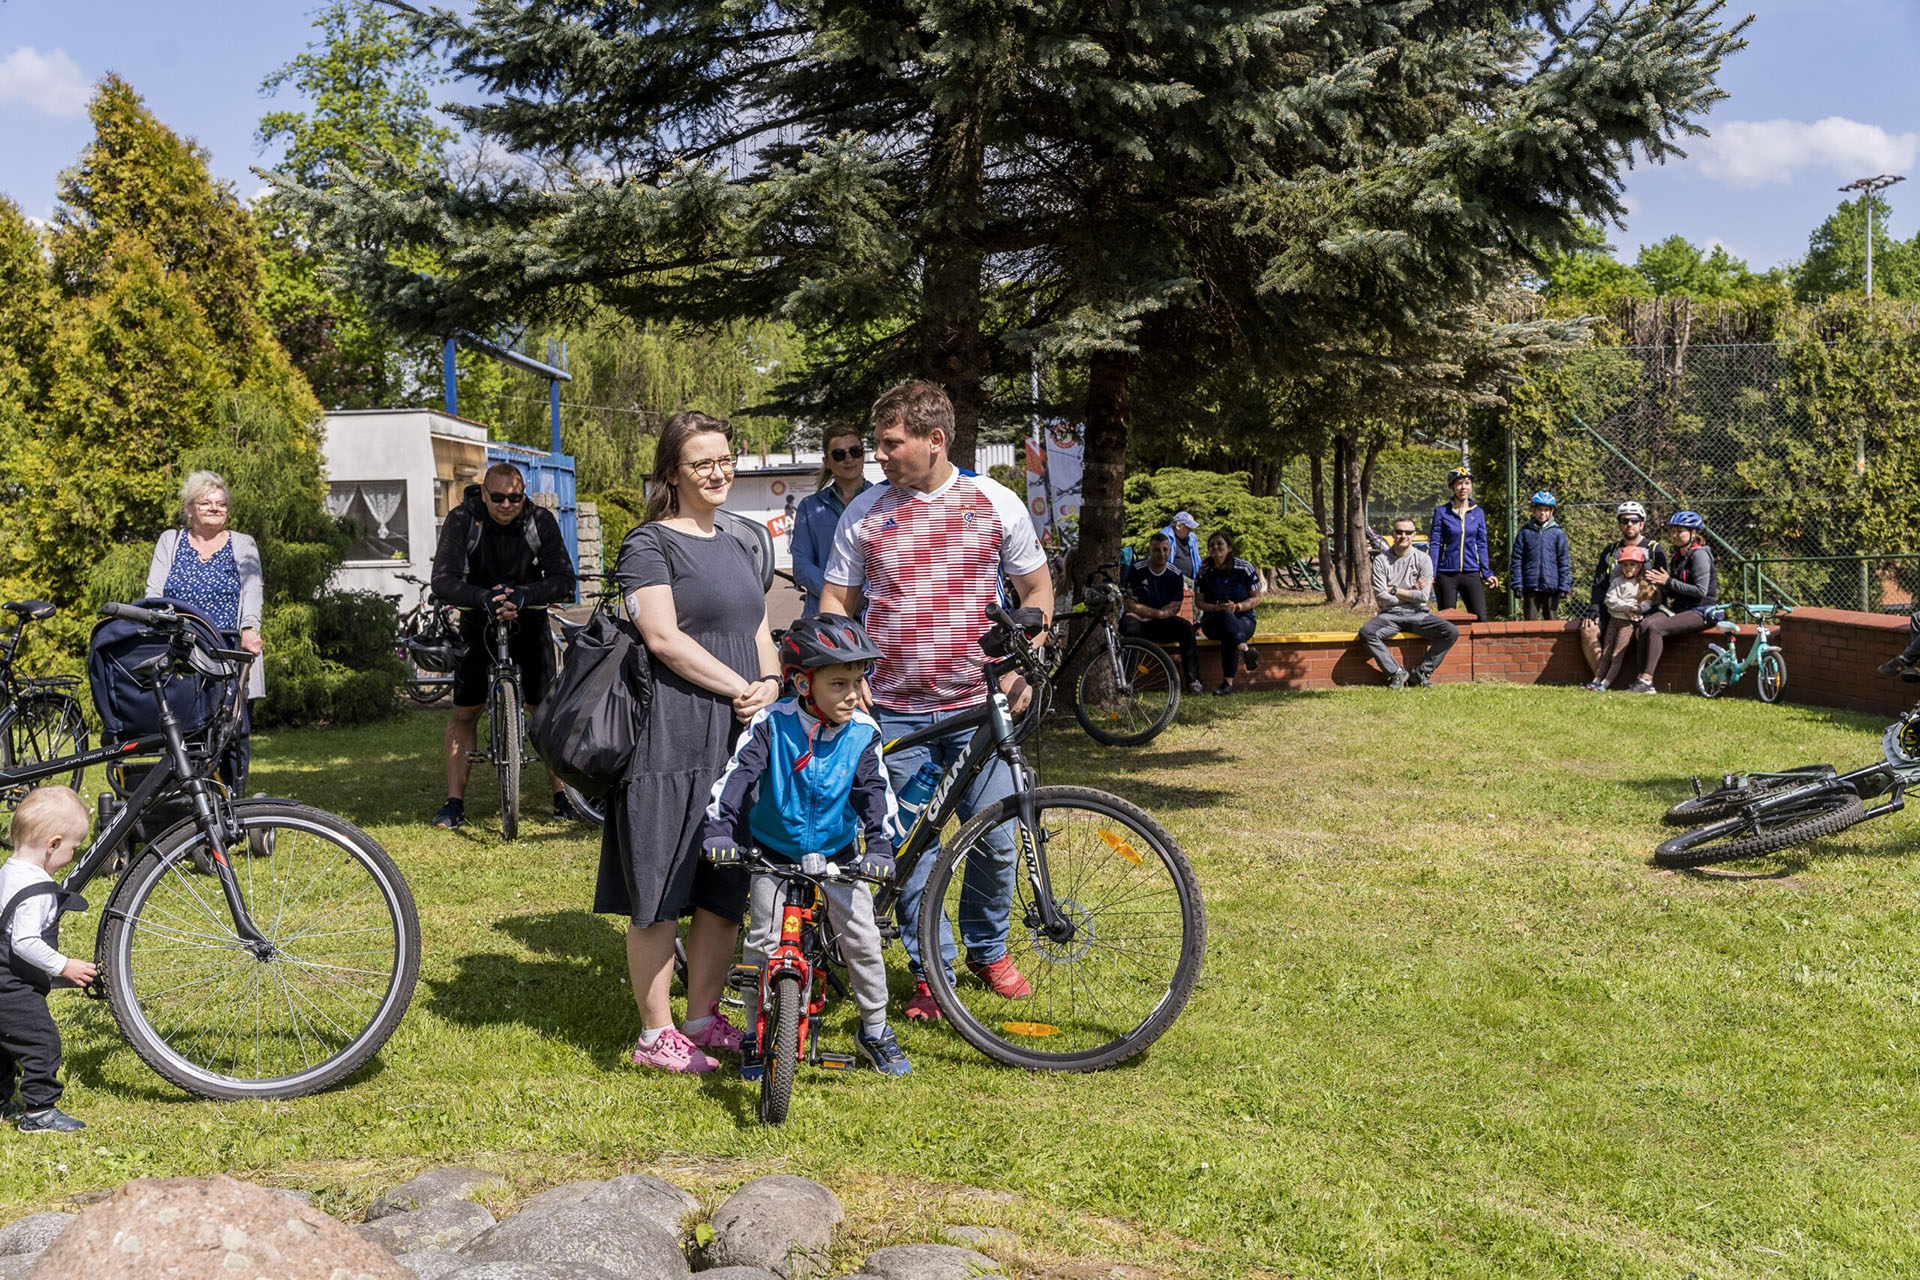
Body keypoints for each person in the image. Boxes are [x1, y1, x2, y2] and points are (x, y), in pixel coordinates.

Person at [819, 380, 1051, 1024]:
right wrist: (845, 672)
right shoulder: (864, 511)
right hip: (892, 711)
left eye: (891, 443)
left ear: (935, 440)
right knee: (910, 849)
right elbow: (835, 603)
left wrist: (1025, 662)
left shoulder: (994, 501)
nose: (877, 455)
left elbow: (1036, 588)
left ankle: (987, 948)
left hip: (981, 707)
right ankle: (932, 969)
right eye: (876, 443)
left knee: (998, 839)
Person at [593, 411, 781, 1074]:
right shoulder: (649, 544)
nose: (718, 472)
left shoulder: (739, 544)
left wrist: (771, 684)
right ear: (672, 473)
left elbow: (759, 631)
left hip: (737, 736)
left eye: (725, 459)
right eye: (703, 462)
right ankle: (656, 1036)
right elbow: (662, 638)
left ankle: (702, 1018)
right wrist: (741, 686)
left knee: (723, 886)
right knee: (661, 886)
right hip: (669, 737)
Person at [700, 614, 911, 1078]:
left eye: (858, 681)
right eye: (839, 684)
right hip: (773, 854)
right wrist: (720, 830)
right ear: (802, 684)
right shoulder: (771, 724)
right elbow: (736, 779)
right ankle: (756, 1032)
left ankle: (875, 1028)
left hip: (839, 855)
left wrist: (879, 846)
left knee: (862, 940)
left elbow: (875, 795)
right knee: (761, 944)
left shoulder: (863, 733)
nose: (853, 695)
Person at [429, 461, 579, 829]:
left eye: (515, 497)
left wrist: (524, 595)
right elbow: (442, 580)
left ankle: (563, 797)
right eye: (498, 498)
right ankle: (454, 802)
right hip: (476, 621)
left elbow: (563, 578)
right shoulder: (463, 519)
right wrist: (483, 597)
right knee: (465, 712)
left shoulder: (539, 520)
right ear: (483, 493)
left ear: (523, 494)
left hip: (529, 622)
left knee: (544, 710)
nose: (507, 505)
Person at [145, 471, 264, 786]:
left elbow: (252, 590)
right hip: (180, 647)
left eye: (221, 504)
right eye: (206, 503)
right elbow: (154, 593)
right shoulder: (171, 542)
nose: (215, 508)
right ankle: (183, 793)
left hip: (226, 649)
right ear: (189, 509)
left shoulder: (242, 544)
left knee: (231, 729)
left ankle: (232, 797)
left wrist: (249, 629)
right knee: (181, 727)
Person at [0, 786, 95, 1134]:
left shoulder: (7, 872)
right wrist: (63, 965)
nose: (72, 855)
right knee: (41, 1042)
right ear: (53, 844)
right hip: (12, 988)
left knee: (4, 1046)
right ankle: (39, 1111)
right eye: (73, 848)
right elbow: (24, 942)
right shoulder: (37, 889)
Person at [1623, 510, 1718, 695]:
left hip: (1701, 610)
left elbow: (1701, 591)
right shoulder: (1677, 556)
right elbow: (1674, 589)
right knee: (1644, 625)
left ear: (1693, 533)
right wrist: (1659, 583)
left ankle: (1647, 680)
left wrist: (1668, 581)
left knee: (1656, 628)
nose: (1674, 535)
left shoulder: (1699, 555)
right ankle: (1641, 679)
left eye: (1679, 531)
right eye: (1672, 531)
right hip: (1681, 607)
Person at [1357, 519, 1458, 688]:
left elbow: (1423, 597)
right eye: (1399, 532)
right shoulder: (1381, 561)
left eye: (1408, 532)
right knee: (1367, 633)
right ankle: (1396, 672)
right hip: (1390, 616)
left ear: (1414, 535)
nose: (1403, 536)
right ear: (1392, 534)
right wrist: (1411, 591)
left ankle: (1421, 673)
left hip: (1418, 615)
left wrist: (1395, 590)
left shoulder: (1423, 559)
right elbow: (1381, 596)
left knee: (1451, 632)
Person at [789, 425, 873, 618]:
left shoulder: (883, 503)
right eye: (839, 454)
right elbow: (801, 567)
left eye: (855, 451)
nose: (849, 459)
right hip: (824, 618)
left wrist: (863, 598)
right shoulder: (809, 507)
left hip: (872, 618)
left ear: (863, 455)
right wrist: (841, 596)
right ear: (827, 461)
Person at [1579, 501, 1668, 674]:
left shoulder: (1654, 550)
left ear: (1642, 524)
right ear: (1619, 524)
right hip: (1614, 608)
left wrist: (1647, 610)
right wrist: (1595, 608)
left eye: (1634, 520)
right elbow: (1600, 583)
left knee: (1644, 632)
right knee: (1588, 630)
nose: (1629, 524)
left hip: (1643, 609)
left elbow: (1662, 587)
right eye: (1624, 520)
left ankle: (1641, 680)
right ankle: (1601, 679)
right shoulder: (1611, 551)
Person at [1122, 532, 1203, 695]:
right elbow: (1129, 605)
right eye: (1156, 550)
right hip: (1138, 624)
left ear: (1170, 551)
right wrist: (1156, 613)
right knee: (1129, 626)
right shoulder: (1136, 569)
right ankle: (1126, 683)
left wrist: (1153, 614)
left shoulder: (1175, 573)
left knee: (1186, 628)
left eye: (1165, 549)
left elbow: (1175, 607)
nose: (1161, 554)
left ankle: (1194, 681)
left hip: (1160, 622)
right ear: (1149, 551)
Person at [1194, 531, 1262, 695]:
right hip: (1213, 621)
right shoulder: (1204, 571)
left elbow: (1256, 598)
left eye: (1219, 544)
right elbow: (1199, 602)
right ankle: (1245, 651)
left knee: (1229, 632)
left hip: (1244, 619)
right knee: (1225, 617)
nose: (1215, 547)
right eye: (1212, 545)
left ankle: (1227, 685)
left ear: (1229, 548)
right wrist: (1215, 608)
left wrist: (1237, 606)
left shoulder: (1244, 568)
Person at [1428, 466, 1499, 620]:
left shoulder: (1478, 512)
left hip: (1471, 572)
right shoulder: (1441, 512)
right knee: (1447, 621)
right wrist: (1431, 572)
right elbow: (1435, 544)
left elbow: (1482, 544)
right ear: (1452, 486)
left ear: (1471, 486)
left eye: (1467, 483)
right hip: (1446, 573)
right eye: (1459, 483)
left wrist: (1486, 572)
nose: (1463, 487)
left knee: (1480, 618)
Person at [1584, 545, 1658, 690]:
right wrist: (1625, 607)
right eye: (1625, 565)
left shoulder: (1643, 584)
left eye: (1632, 565)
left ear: (1639, 566)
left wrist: (1639, 609)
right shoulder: (1616, 581)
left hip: (1628, 624)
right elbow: (1610, 600)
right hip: (1614, 620)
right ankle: (1596, 680)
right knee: (1606, 652)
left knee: (1617, 654)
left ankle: (1605, 684)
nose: (1628, 568)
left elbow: (1648, 602)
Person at [1510, 491, 1572, 621]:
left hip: (1552, 586)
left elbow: (1563, 561)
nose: (1542, 513)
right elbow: (1517, 560)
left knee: (1552, 624)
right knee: (1530, 624)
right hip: (1530, 586)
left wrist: (1564, 586)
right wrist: (1517, 584)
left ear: (1551, 511)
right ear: (1533, 510)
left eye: (1546, 510)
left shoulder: (1558, 533)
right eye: (1539, 509)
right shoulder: (1524, 532)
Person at [1160, 511, 1202, 585]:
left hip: (1191, 581)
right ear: (1178, 526)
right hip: (1171, 581)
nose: (1190, 530)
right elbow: (1160, 563)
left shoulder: (1192, 537)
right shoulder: (1164, 537)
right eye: (1188, 527)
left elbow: (1197, 560)